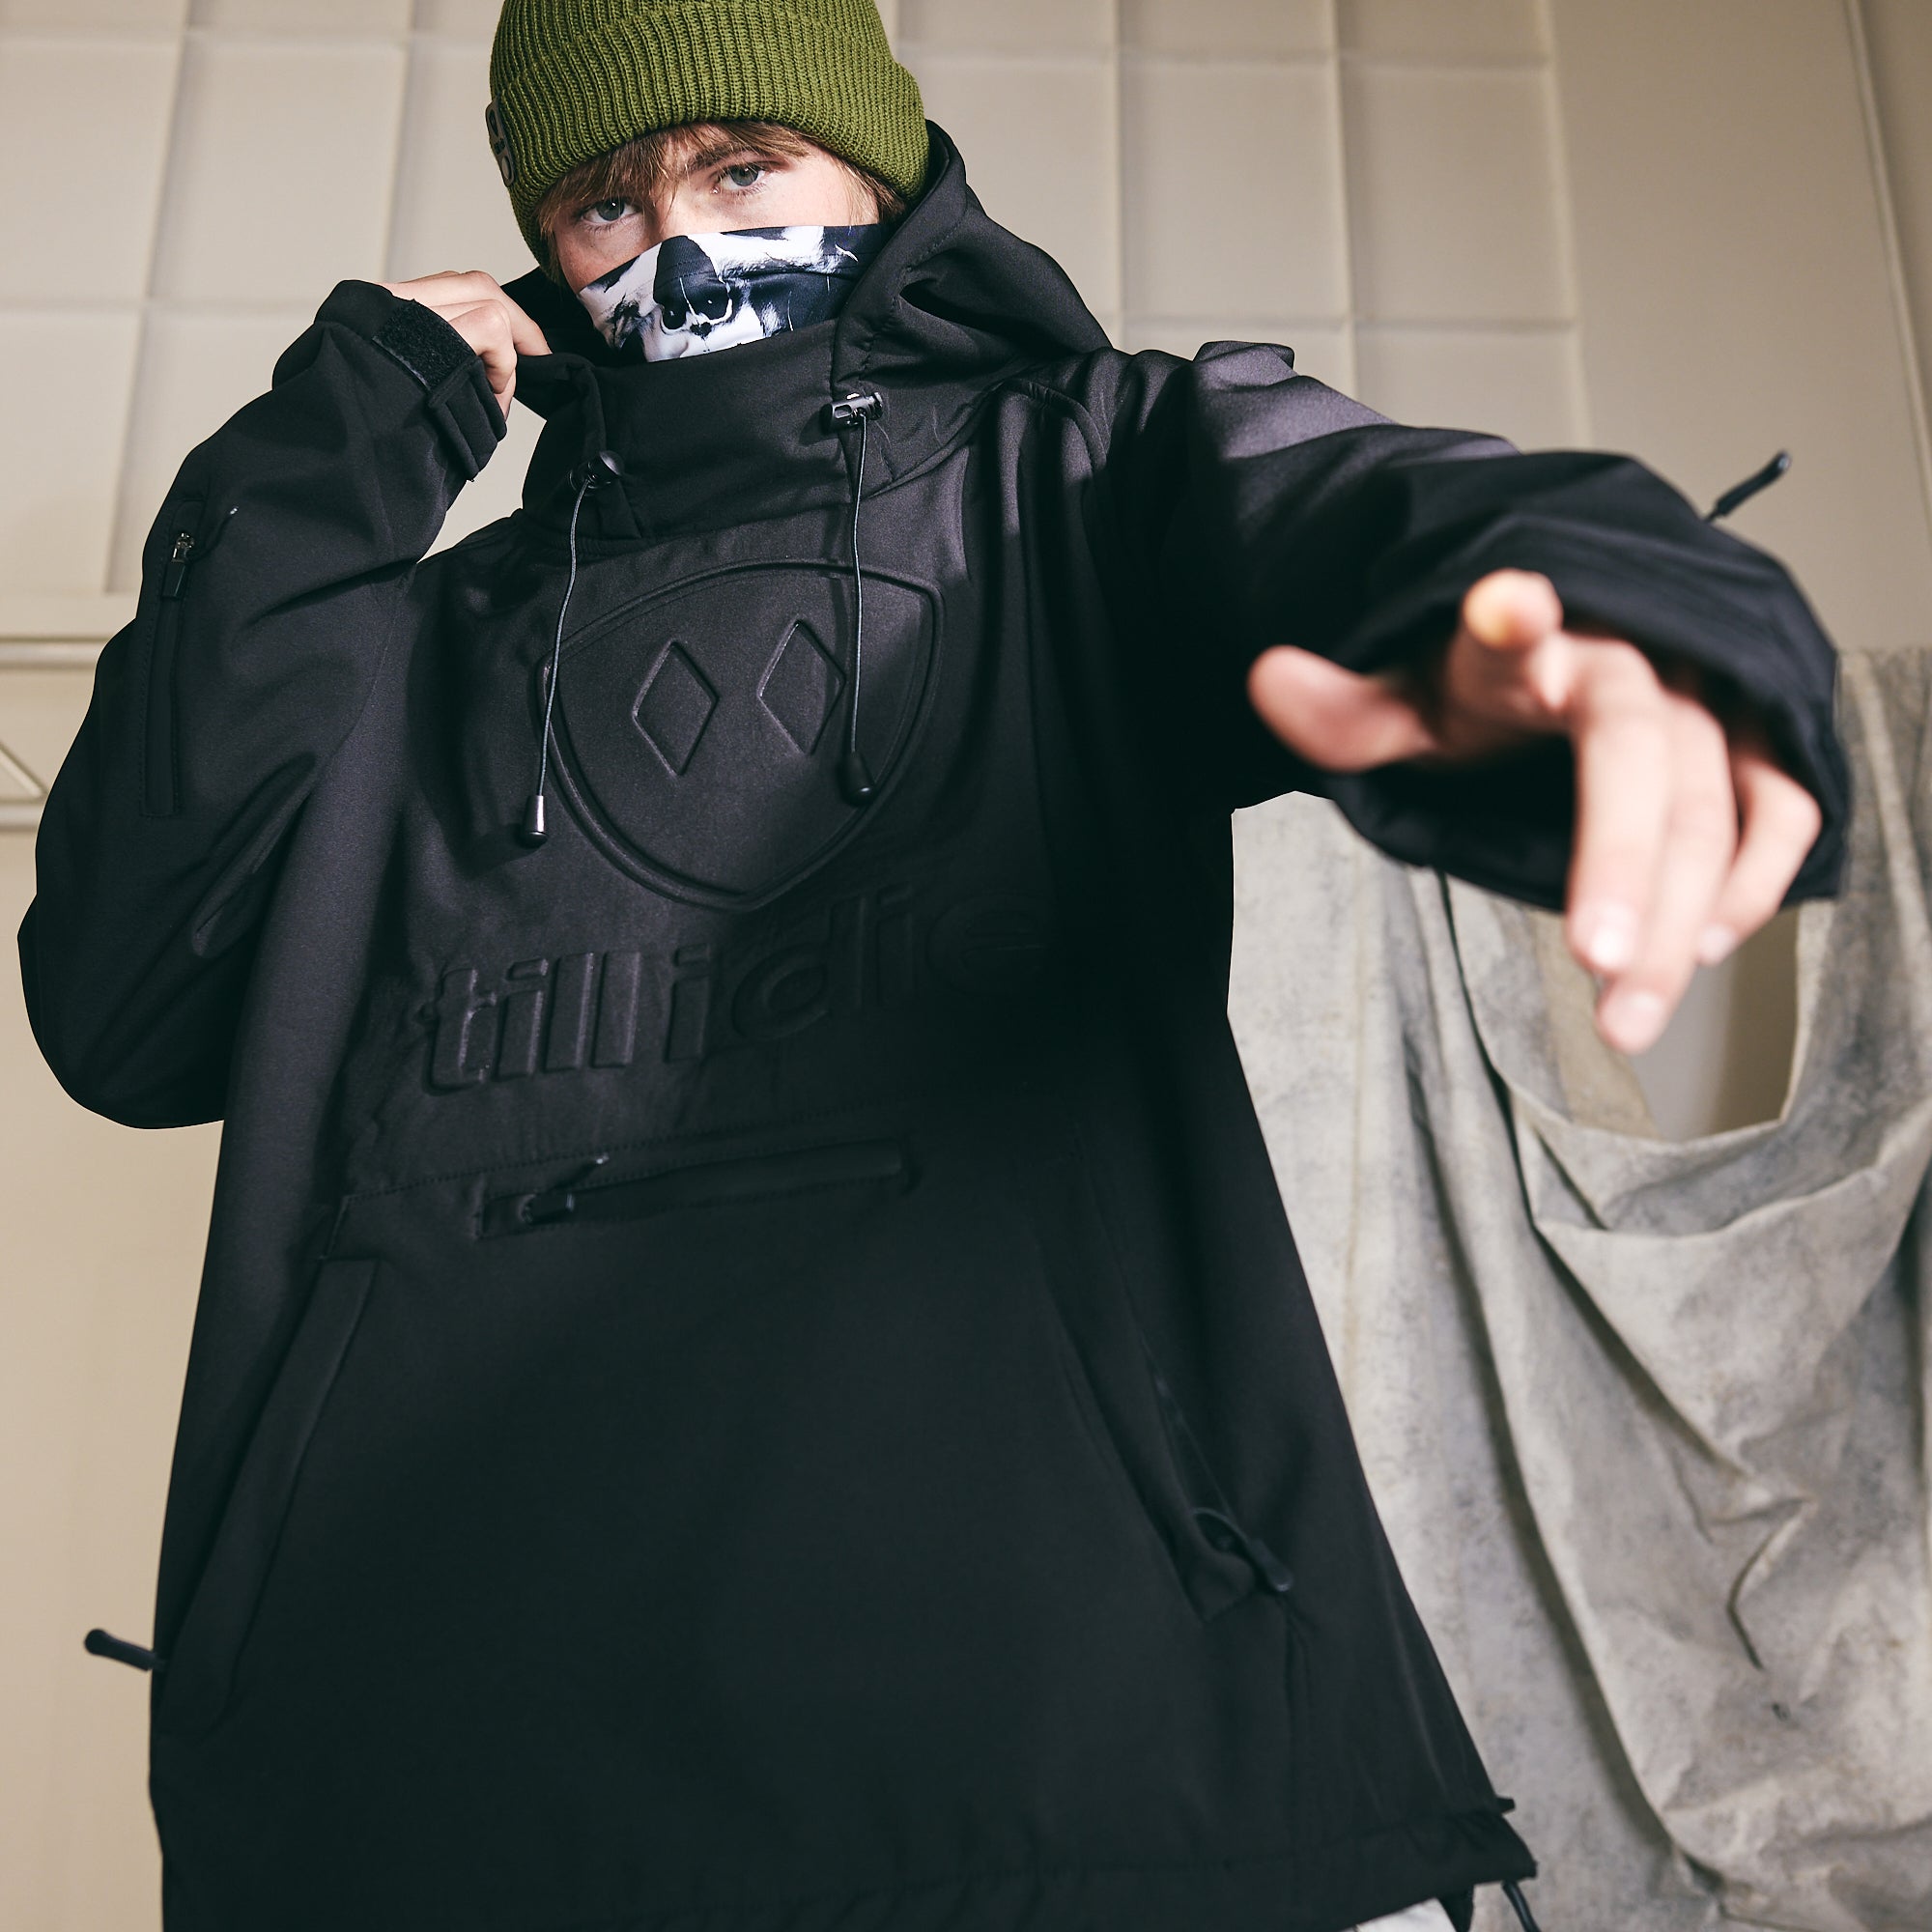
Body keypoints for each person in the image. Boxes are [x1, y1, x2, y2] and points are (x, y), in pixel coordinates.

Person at [21, 3, 1845, 1929]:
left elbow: (1378, 509)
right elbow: (128, 1000)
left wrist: (1622, 632)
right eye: (599, 202)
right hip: (436, 1793)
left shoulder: (1083, 472)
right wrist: (347, 435)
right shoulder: (406, 649)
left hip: (1069, 1752)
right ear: (536, 259)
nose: (678, 242)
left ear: (874, 178)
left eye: (742, 166)